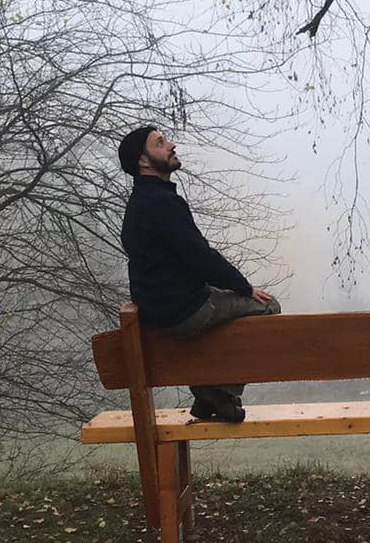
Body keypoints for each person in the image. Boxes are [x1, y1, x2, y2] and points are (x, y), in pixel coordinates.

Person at [117, 125, 278, 423]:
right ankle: (219, 393)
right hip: (183, 309)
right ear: (143, 161)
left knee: (224, 306)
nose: (171, 145)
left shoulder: (139, 203)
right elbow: (201, 257)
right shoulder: (162, 203)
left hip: (159, 310)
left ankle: (207, 398)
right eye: (160, 143)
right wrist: (245, 288)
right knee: (267, 306)